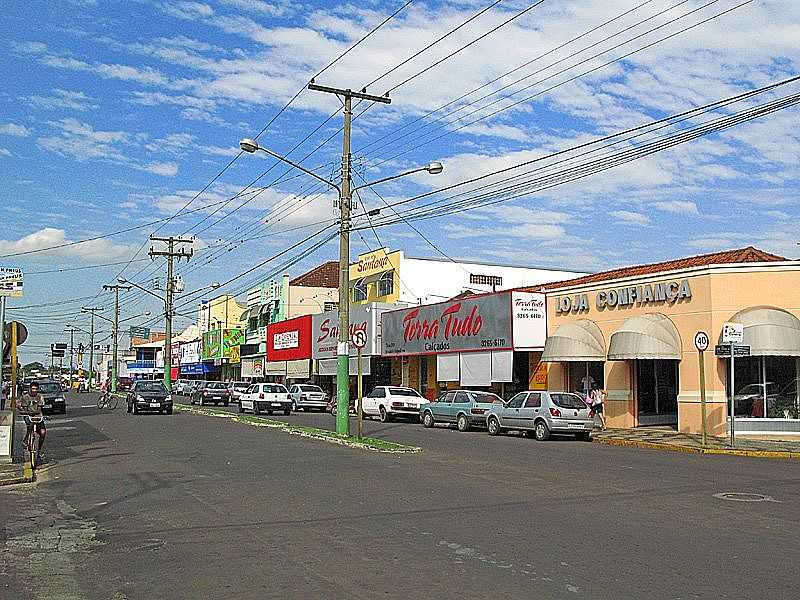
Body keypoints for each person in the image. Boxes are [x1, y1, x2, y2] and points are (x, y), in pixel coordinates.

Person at [19, 381, 47, 463]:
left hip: (38, 416)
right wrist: (27, 413)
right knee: (30, 425)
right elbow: (24, 409)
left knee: (43, 432)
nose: (34, 390)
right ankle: (26, 439)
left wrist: (33, 413)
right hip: (29, 417)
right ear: (30, 389)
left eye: (36, 389)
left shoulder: (40, 397)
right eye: (33, 388)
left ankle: (39, 450)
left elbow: (39, 409)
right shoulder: (25, 397)